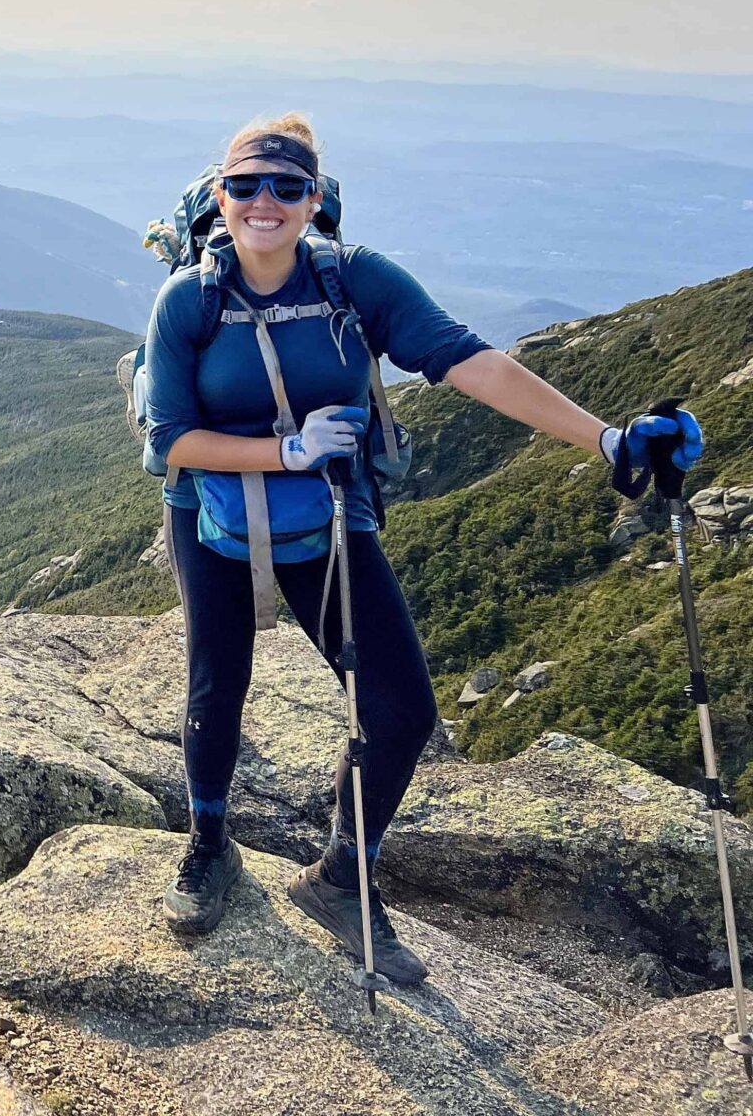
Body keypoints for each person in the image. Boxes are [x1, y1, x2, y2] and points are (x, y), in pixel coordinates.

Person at [142, 112, 705, 983]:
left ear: (313, 200)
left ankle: (343, 876)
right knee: (220, 683)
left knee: (402, 709)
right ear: (221, 196)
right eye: (247, 186)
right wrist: (284, 451)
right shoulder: (190, 299)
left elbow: (465, 360)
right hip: (208, 501)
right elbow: (171, 438)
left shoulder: (354, 281)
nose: (266, 203)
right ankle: (209, 844)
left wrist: (609, 442)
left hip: (332, 508)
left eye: (287, 188)